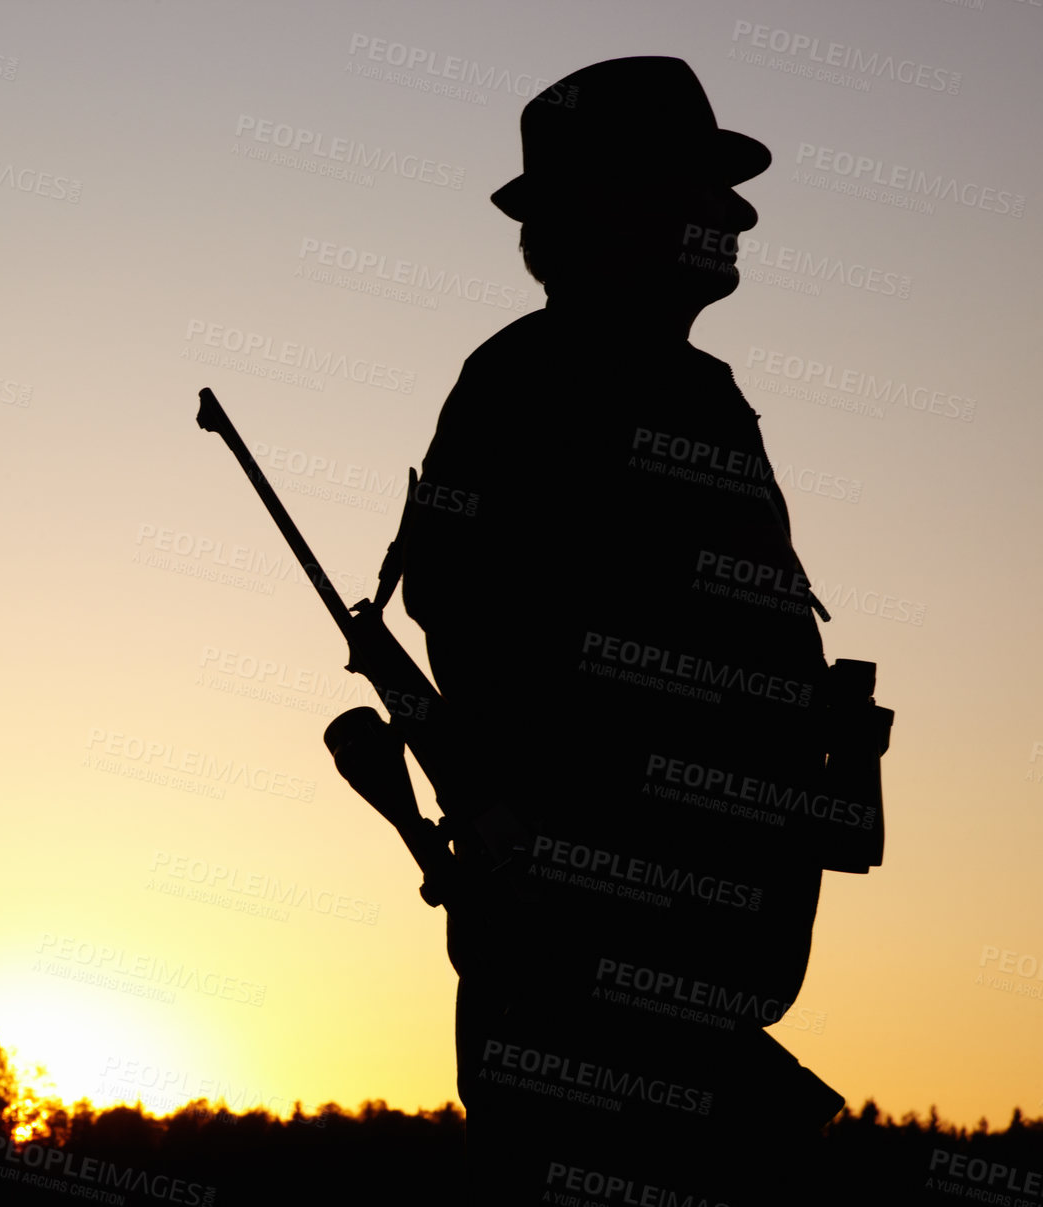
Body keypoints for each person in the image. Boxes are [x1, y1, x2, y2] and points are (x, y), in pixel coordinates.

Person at [399, 57, 849, 1203]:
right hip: (597, 1001)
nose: (735, 216)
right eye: (698, 191)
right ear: (612, 213)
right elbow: (498, 647)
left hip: (686, 987)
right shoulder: (539, 386)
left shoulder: (680, 389)